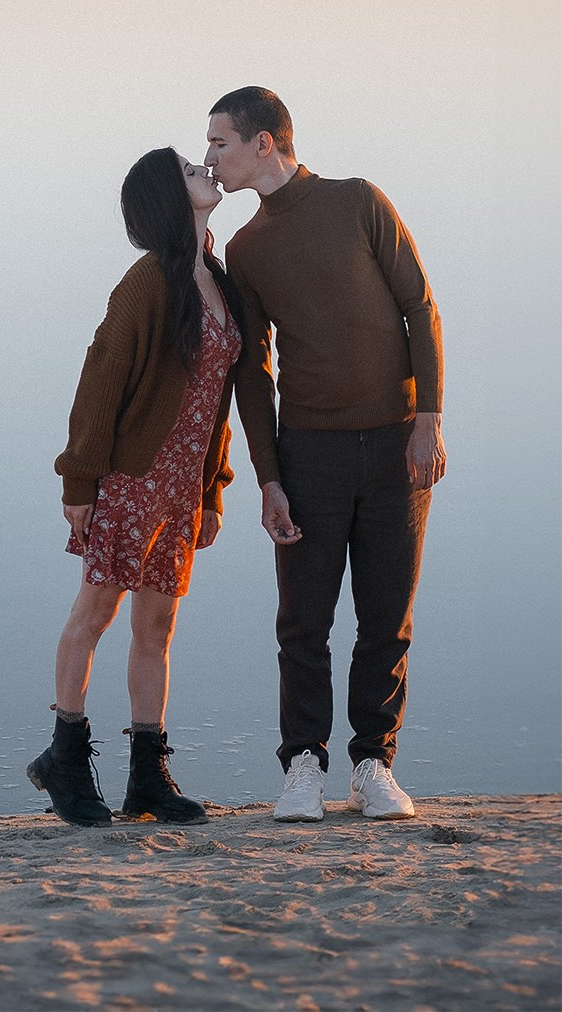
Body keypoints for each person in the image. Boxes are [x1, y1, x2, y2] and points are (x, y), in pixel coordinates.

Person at [205, 87, 445, 823]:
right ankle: (303, 765)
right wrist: (268, 478)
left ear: (264, 144)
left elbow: (420, 306)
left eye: (220, 143)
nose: (210, 158)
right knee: (304, 623)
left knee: (386, 618)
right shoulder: (245, 249)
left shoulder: (358, 202)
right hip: (309, 451)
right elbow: (253, 371)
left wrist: (428, 419)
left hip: (397, 443)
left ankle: (373, 764)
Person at [28, 146, 242, 826]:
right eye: (189, 170)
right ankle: (64, 757)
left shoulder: (216, 276)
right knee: (95, 614)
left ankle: (147, 776)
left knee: (157, 627)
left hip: (180, 489)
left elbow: (216, 402)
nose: (204, 168)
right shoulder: (147, 282)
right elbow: (100, 380)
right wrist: (80, 481)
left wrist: (211, 491)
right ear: (167, 198)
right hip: (130, 480)